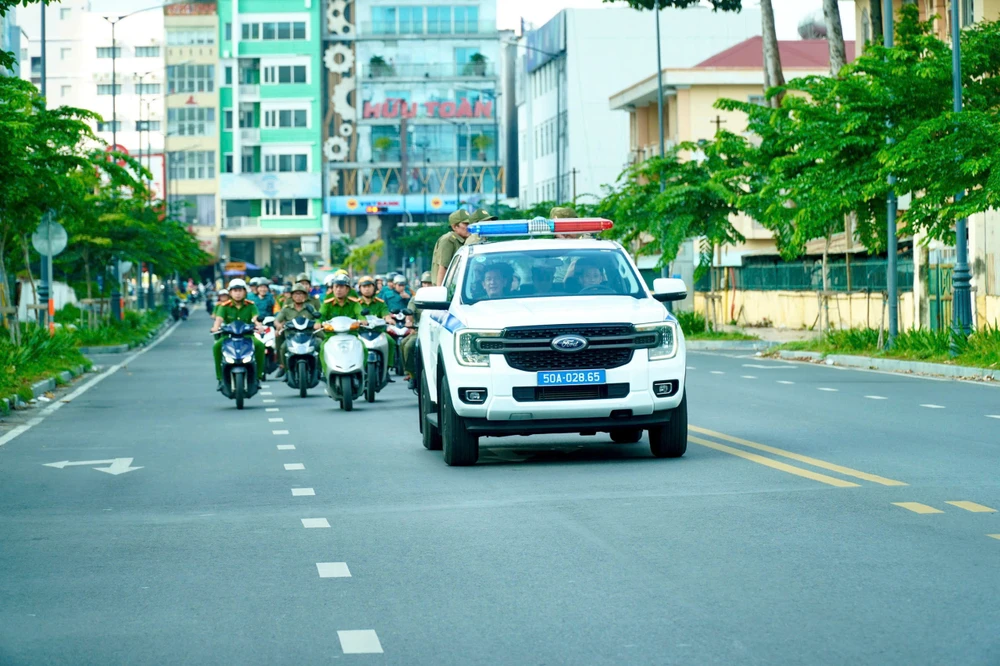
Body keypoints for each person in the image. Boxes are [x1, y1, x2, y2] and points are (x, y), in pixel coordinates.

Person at [211, 279, 266, 390]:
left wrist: (258, 325)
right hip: (228, 336)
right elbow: (219, 319)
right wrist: (215, 327)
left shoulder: (251, 305)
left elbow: (255, 318)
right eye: (235, 290)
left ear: (245, 292)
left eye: (240, 290)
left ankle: (258, 376)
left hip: (247, 336)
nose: (238, 293)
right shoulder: (224, 306)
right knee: (216, 347)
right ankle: (220, 378)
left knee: (260, 345)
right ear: (230, 293)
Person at [274, 284, 320, 378]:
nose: (298, 297)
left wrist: (318, 323)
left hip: (308, 335)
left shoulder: (310, 307)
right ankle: (286, 370)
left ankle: (319, 369)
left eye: (300, 294)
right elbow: (277, 320)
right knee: (283, 347)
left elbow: (318, 317)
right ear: (292, 296)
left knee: (321, 343)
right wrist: (278, 326)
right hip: (291, 336)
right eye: (296, 294)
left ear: (305, 296)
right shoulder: (287, 309)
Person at [356, 275, 396, 380]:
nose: (367, 289)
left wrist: (389, 319)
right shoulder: (356, 304)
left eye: (369, 286)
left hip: (378, 333)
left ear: (374, 288)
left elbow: (385, 314)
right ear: (359, 288)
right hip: (360, 333)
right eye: (364, 286)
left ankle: (386, 368)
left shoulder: (380, 303)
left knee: (390, 341)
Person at [431, 209, 471, 285]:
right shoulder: (448, 240)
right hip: (447, 289)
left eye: (470, 223)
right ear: (455, 226)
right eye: (465, 224)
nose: (469, 227)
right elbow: (443, 268)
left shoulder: (463, 240)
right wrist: (441, 293)